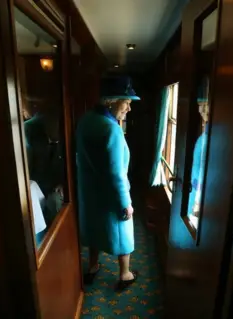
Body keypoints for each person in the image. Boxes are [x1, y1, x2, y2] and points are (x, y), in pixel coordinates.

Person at [76, 76, 140, 290]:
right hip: (111, 194)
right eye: (127, 102)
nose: (129, 108)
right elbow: (116, 173)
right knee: (123, 234)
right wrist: (125, 203)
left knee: (94, 229)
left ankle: (93, 267)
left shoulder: (86, 120)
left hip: (89, 192)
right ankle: (125, 274)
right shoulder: (111, 129)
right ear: (112, 101)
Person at [24, 97, 65, 246]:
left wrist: (63, 184)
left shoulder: (65, 139)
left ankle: (58, 243)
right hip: (37, 184)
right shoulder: (29, 134)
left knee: (54, 202)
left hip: (57, 186)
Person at [188, 78, 210, 221]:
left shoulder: (213, 138)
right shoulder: (205, 135)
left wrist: (198, 200)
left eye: (206, 104)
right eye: (199, 104)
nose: (202, 110)